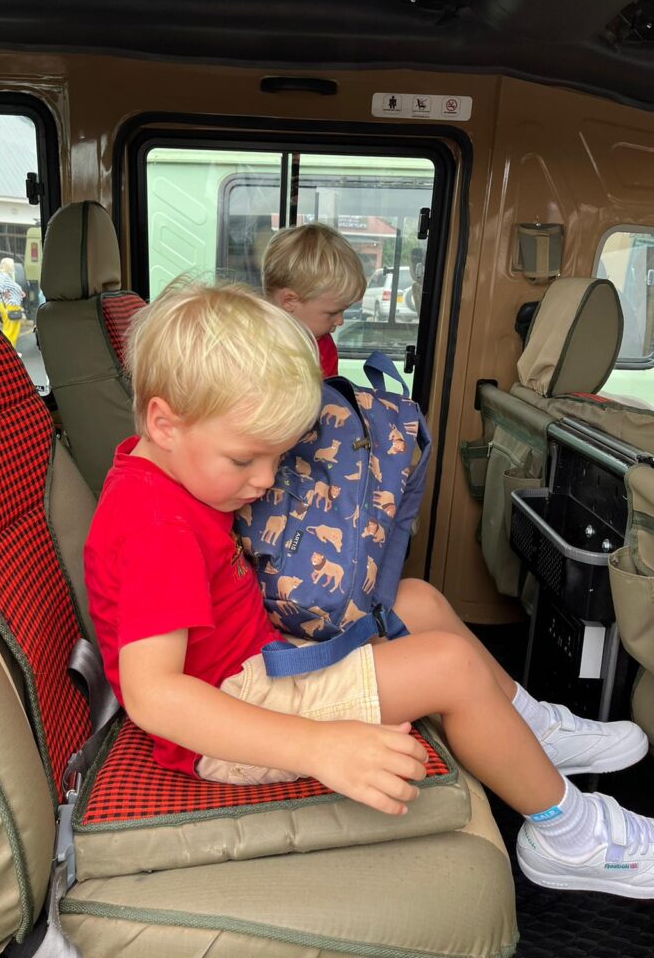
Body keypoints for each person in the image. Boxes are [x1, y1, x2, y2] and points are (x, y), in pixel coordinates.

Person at [84, 278, 654, 899]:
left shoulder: (166, 473)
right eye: (246, 460)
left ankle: (530, 729)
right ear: (165, 423)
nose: (263, 480)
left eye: (276, 458)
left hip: (259, 664)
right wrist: (319, 748)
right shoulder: (152, 527)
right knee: (450, 667)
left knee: (416, 602)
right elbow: (155, 695)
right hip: (234, 720)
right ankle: (567, 836)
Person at [262, 222, 366, 377]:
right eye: (332, 313)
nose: (340, 321)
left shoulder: (323, 347)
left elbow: (329, 396)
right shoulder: (251, 348)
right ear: (290, 301)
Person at [0, 256, 26, 349]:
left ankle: (11, 350)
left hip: (12, 305)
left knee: (13, 330)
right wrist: (4, 292)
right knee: (10, 330)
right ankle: (6, 351)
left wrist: (19, 292)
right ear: (7, 266)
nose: (13, 266)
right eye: (12, 265)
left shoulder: (7, 276)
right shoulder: (3, 276)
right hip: (9, 306)